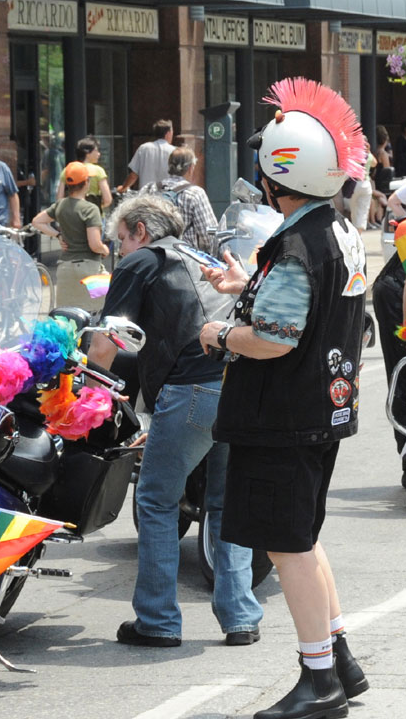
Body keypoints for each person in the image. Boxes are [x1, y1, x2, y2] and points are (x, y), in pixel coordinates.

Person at [198, 78, 369, 719]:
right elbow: (310, 304)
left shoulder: (295, 246)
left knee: (287, 544)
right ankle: (339, 656)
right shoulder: (336, 230)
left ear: (277, 176)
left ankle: (318, 679)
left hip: (282, 414)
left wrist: (220, 332)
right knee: (301, 536)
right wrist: (249, 282)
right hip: (320, 408)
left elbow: (272, 340)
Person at [86, 194, 263, 649]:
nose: (118, 251)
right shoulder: (196, 255)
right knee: (226, 505)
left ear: (140, 231)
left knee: (156, 500)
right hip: (240, 385)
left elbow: (108, 343)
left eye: (119, 241)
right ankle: (240, 617)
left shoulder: (140, 261)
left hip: (193, 390)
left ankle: (158, 620)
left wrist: (84, 391)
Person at [32, 163, 111, 311]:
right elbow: (94, 244)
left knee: (66, 317)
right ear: (86, 182)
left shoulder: (60, 205)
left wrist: (58, 235)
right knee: (94, 315)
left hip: (65, 268)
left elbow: (37, 221)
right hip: (89, 270)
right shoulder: (90, 209)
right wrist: (105, 249)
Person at [148, 147, 216, 252]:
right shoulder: (195, 193)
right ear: (190, 168)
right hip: (183, 257)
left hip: (153, 254)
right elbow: (209, 235)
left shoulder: (149, 189)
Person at [118, 120, 175, 194]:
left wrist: (123, 188)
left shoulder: (143, 148)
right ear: (168, 133)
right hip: (167, 197)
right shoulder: (175, 151)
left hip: (146, 197)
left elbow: (134, 175)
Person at [57, 136, 111, 210]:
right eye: (96, 151)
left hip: (71, 214)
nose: (99, 154)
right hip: (93, 215)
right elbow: (107, 200)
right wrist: (98, 207)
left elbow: (59, 199)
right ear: (87, 153)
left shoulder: (67, 170)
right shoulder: (98, 171)